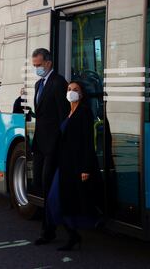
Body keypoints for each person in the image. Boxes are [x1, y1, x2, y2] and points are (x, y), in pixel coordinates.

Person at [46, 80, 103, 251]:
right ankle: (72, 235)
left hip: (76, 166)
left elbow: (87, 142)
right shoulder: (69, 112)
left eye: (75, 89)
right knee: (56, 200)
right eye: (69, 89)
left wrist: (85, 168)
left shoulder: (84, 113)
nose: (71, 92)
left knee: (63, 200)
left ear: (82, 94)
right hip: (65, 165)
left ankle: (73, 236)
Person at [32, 48, 69, 245]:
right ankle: (53, 222)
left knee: (48, 186)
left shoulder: (58, 83)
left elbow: (63, 115)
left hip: (53, 145)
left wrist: (61, 143)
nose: (36, 69)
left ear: (48, 63)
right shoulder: (38, 84)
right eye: (34, 66)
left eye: (38, 65)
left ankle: (49, 230)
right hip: (39, 144)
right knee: (38, 182)